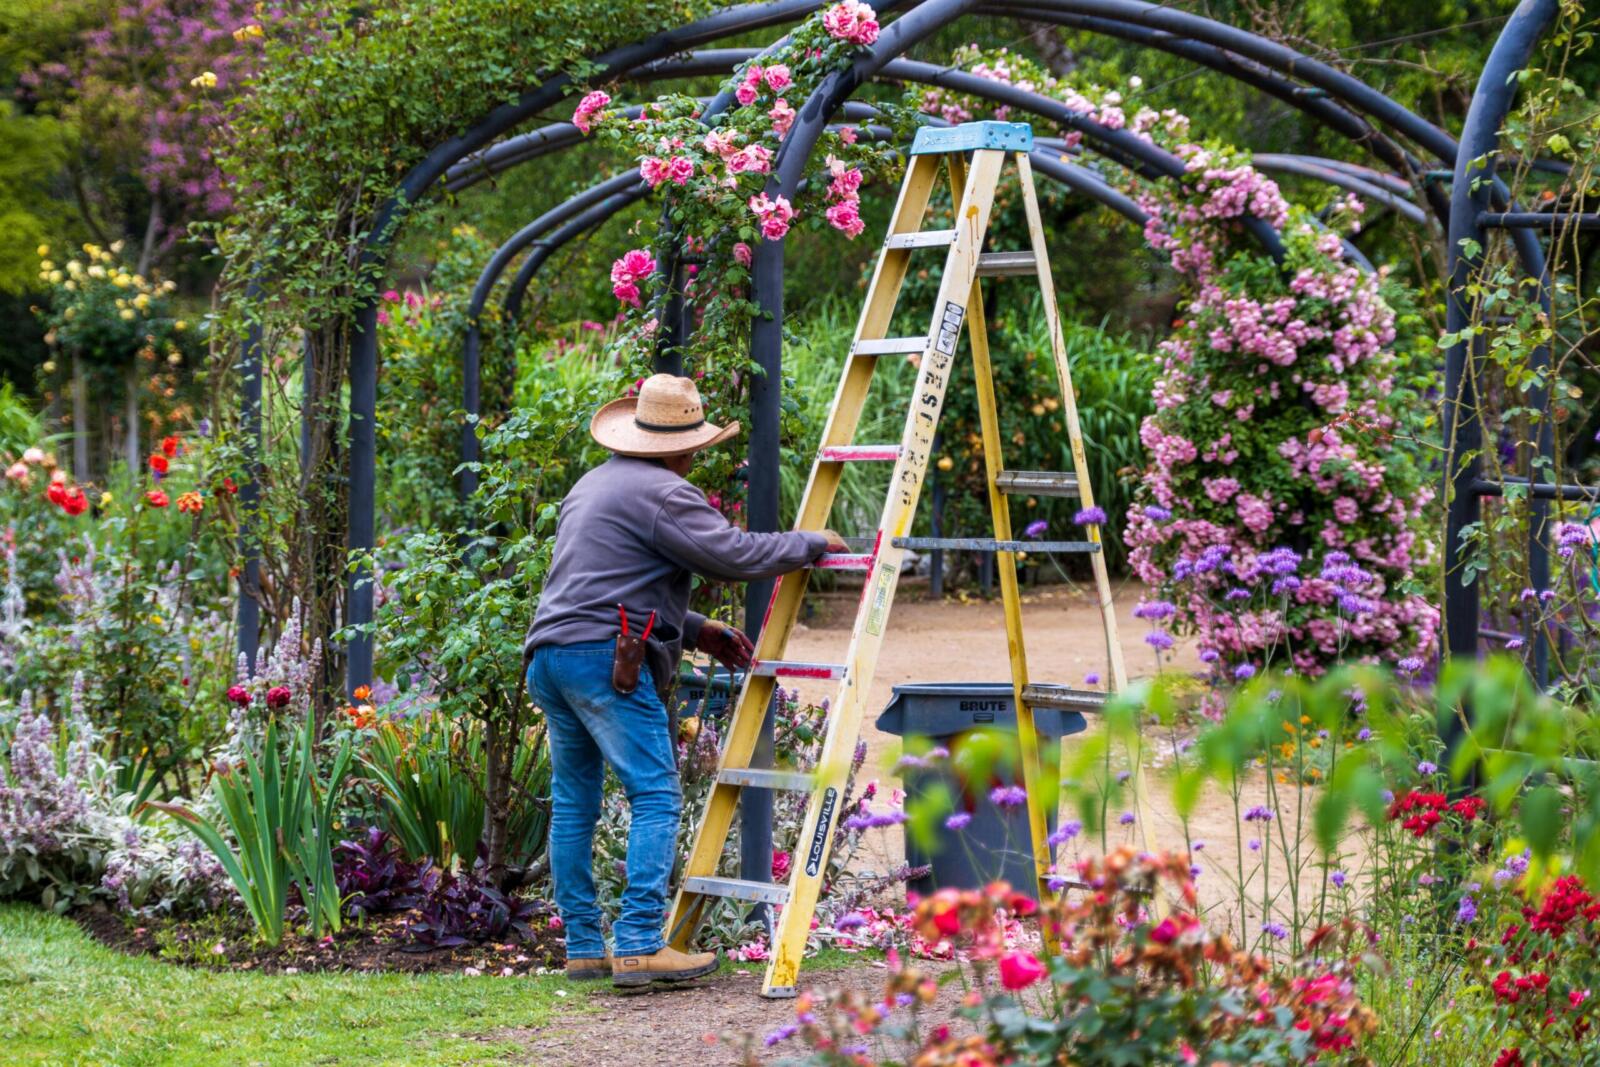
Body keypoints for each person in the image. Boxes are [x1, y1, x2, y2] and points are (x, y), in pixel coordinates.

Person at [525, 373, 847, 990]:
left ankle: (586, 947)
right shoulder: (666, 494)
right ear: (685, 444)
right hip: (602, 658)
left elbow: (603, 580)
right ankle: (643, 942)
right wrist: (809, 543)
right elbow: (734, 555)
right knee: (656, 793)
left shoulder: (591, 485)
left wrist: (696, 629)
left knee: (573, 804)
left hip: (551, 655)